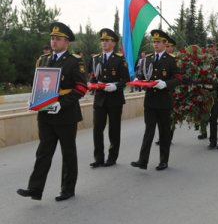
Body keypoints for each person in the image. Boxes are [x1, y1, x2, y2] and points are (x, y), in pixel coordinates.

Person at [17, 21, 87, 201]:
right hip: (45, 114)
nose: (53, 42)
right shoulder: (43, 60)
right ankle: (35, 188)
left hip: (65, 114)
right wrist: (33, 99)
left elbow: (81, 88)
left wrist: (61, 104)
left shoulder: (74, 61)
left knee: (68, 153)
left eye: (57, 39)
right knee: (43, 152)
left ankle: (67, 188)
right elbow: (39, 84)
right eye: (52, 38)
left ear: (66, 42)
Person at [131, 30, 181, 171]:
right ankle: (143, 160)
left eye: (158, 42)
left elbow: (178, 79)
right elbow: (143, 75)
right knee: (149, 131)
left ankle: (163, 160)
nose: (155, 44)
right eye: (154, 42)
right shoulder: (148, 58)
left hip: (164, 101)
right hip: (150, 101)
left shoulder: (171, 59)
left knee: (164, 132)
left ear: (165, 44)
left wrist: (165, 84)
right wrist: (138, 79)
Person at [88, 28, 130, 168]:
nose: (104, 43)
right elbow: (93, 76)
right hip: (99, 98)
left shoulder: (119, 59)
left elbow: (126, 80)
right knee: (97, 129)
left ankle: (112, 157)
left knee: (114, 129)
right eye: (102, 40)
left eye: (107, 40)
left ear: (113, 43)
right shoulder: (95, 59)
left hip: (114, 99)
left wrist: (116, 85)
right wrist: (91, 83)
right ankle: (98, 158)